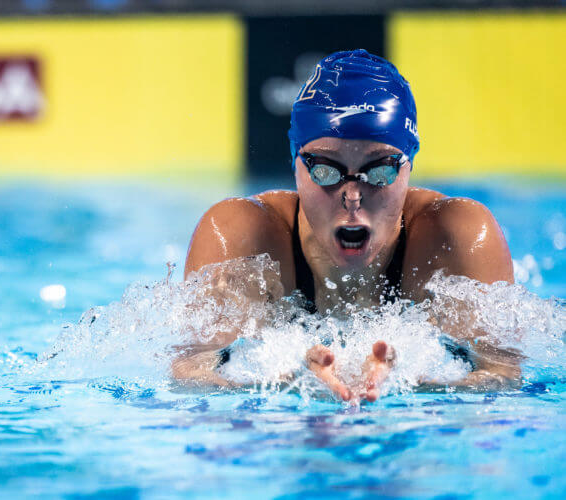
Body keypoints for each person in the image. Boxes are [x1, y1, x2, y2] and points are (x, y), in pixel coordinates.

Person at [172, 49, 520, 402]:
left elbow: (505, 382)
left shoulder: (458, 237)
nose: (352, 195)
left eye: (380, 169)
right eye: (326, 170)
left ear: (409, 167)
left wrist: (407, 386)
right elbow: (190, 380)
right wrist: (291, 385)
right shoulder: (240, 235)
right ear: (296, 167)